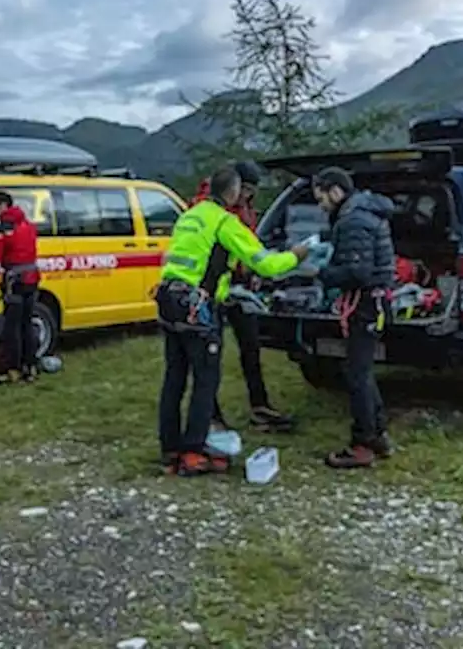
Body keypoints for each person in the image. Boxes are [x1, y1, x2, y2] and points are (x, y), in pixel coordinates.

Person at [156, 166, 309, 477]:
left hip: (168, 301)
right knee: (205, 380)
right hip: (197, 307)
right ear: (234, 192)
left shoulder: (190, 215)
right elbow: (266, 264)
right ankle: (193, 451)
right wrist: (297, 255)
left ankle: (170, 447)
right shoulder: (226, 222)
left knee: (174, 377)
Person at [192, 160, 294, 433]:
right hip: (213, 289)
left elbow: (250, 243)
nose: (248, 195)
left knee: (251, 347)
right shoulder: (209, 207)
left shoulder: (245, 208)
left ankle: (260, 406)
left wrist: (253, 271)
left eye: (251, 191)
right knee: (210, 354)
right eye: (245, 189)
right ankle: (211, 416)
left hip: (241, 286)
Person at [309, 167, 397, 469]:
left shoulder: (352, 220)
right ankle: (378, 433)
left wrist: (321, 272)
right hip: (374, 302)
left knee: (356, 374)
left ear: (335, 191)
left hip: (365, 304)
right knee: (361, 370)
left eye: (321, 197)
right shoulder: (363, 213)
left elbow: (357, 272)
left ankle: (362, 444)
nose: (320, 205)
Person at [0, 191, 41, 384]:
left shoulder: (4, 228)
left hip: (15, 282)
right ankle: (29, 366)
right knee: (27, 324)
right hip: (32, 280)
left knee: (11, 327)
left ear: (2, 205)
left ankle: (9, 369)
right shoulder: (28, 225)